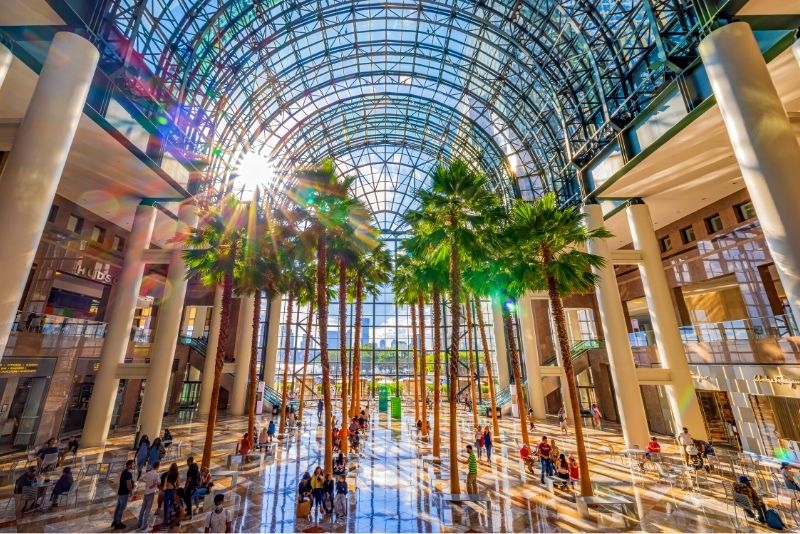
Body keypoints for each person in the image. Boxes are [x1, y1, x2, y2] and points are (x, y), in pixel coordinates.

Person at [112, 459, 135, 529]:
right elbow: (128, 485)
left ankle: (115, 521)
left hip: (120, 491)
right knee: (122, 508)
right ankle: (118, 523)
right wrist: (131, 492)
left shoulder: (124, 471)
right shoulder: (128, 474)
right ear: (129, 465)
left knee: (118, 507)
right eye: (133, 464)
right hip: (125, 493)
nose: (134, 465)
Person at [137, 461, 161, 529]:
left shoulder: (148, 473)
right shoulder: (156, 474)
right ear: (157, 466)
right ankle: (145, 525)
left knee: (143, 508)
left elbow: (140, 478)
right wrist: (154, 484)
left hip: (146, 492)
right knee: (148, 509)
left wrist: (147, 483)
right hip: (151, 493)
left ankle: (139, 523)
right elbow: (159, 482)